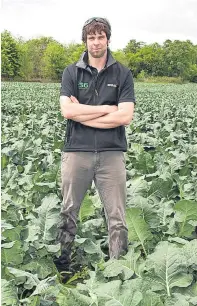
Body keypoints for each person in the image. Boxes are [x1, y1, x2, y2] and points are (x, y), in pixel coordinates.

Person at [55, 17, 135, 273]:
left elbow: (124, 116)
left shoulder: (122, 73)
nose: (96, 42)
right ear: (86, 41)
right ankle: (63, 266)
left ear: (108, 40)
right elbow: (67, 112)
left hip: (112, 154)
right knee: (68, 211)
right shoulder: (71, 72)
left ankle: (117, 270)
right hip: (77, 152)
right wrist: (105, 110)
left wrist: (83, 113)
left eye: (101, 37)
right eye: (92, 37)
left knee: (117, 216)